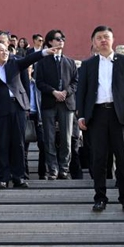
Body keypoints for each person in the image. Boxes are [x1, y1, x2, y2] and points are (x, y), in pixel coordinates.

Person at [77, 25, 124, 213]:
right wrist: (81, 115)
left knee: (123, 160)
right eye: (99, 38)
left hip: (118, 115)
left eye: (106, 37)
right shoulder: (88, 65)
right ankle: (100, 198)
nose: (103, 40)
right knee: (99, 160)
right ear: (93, 42)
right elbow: (82, 92)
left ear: (112, 40)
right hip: (96, 116)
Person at [0, 41, 55, 188]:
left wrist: (44, 52)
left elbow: (29, 59)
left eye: (6, 50)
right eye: (1, 51)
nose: (5, 52)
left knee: (19, 143)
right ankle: (3, 177)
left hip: (18, 107)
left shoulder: (14, 63)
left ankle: (19, 177)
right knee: (2, 143)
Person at [36, 30, 78, 180]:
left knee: (67, 138)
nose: (61, 41)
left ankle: (64, 169)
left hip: (67, 104)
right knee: (49, 138)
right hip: (49, 102)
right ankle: (52, 169)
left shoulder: (70, 62)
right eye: (58, 39)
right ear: (50, 42)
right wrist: (53, 92)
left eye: (63, 38)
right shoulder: (41, 62)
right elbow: (39, 82)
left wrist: (66, 92)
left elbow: (75, 82)